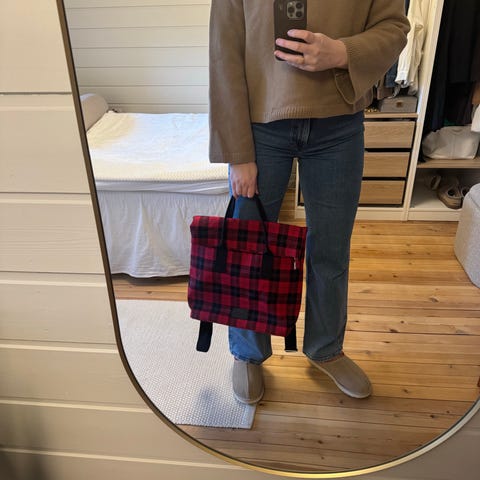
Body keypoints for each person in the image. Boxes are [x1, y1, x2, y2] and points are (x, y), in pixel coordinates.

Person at [208, 0, 410, 404]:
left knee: (331, 250)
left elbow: (394, 27)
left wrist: (342, 52)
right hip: (260, 127)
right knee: (250, 249)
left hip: (339, 125)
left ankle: (325, 348)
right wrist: (237, 153)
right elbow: (223, 52)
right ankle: (248, 352)